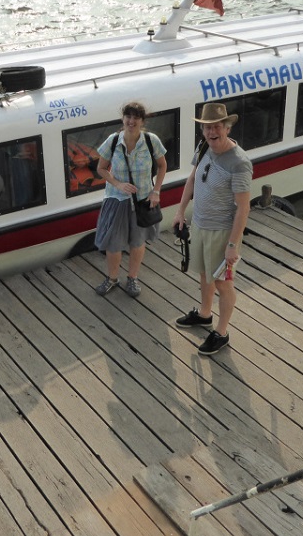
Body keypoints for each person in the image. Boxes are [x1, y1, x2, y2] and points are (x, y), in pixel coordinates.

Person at [172, 103, 252, 356]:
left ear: (227, 127)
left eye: (216, 126)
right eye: (207, 127)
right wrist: (180, 211)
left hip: (222, 233)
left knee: (223, 282)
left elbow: (243, 208)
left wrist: (232, 245)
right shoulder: (204, 146)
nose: (211, 132)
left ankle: (221, 332)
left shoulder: (239, 163)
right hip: (200, 224)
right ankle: (205, 314)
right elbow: (193, 179)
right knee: (204, 273)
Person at [93, 101, 168, 298]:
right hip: (116, 199)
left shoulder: (151, 141)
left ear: (142, 121)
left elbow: (162, 166)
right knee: (113, 243)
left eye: (136, 117)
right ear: (123, 118)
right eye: (128, 116)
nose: (131, 121)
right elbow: (100, 168)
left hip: (143, 199)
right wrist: (118, 184)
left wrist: (156, 191)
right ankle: (112, 278)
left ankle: (132, 278)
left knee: (137, 241)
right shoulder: (113, 140)